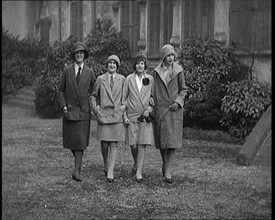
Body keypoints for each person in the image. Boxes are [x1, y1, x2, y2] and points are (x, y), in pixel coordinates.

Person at [58, 42, 96, 182]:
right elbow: (61, 91)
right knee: (71, 142)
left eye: (81, 53)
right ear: (74, 56)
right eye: (77, 53)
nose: (79, 55)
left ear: (84, 55)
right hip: (70, 111)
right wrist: (64, 107)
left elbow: (95, 89)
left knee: (80, 141)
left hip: (84, 111)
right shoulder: (67, 71)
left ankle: (76, 170)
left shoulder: (90, 72)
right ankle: (78, 165)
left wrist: (92, 102)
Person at [152, 44, 188, 183]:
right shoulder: (156, 72)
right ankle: (164, 162)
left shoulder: (178, 71)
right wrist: (151, 101)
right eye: (168, 56)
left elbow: (183, 89)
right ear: (163, 57)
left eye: (173, 55)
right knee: (162, 142)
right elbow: (153, 89)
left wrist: (178, 102)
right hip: (161, 109)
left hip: (174, 110)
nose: (171, 58)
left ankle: (167, 170)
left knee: (172, 142)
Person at [91, 55, 126, 183]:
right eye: (110, 63)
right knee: (104, 143)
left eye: (114, 63)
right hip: (104, 115)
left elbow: (126, 95)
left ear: (117, 66)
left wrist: (123, 106)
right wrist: (96, 109)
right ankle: (106, 162)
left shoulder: (122, 79)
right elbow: (93, 96)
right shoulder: (101, 79)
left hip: (116, 115)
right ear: (107, 65)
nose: (112, 65)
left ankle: (111, 170)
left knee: (114, 144)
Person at [122, 55, 155, 183]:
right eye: (137, 64)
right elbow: (124, 98)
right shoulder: (129, 79)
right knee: (133, 144)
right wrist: (124, 115)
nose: (140, 66)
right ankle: (136, 162)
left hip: (145, 117)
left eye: (142, 63)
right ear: (134, 65)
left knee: (142, 144)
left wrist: (149, 110)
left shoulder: (150, 79)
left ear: (145, 65)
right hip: (132, 116)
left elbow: (153, 99)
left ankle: (139, 171)